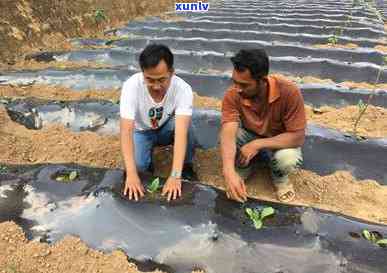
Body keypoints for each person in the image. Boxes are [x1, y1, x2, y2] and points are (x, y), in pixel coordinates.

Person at [220, 48, 306, 203]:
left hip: (278, 140)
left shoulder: (289, 92)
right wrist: (228, 171)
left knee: (288, 158)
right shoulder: (233, 94)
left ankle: (279, 178)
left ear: (262, 79)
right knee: (229, 138)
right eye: (235, 82)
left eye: (244, 85)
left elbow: (297, 137)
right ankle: (244, 167)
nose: (238, 89)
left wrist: (257, 144)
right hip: (250, 134)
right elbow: (228, 130)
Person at [120, 44, 196, 202]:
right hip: (141, 131)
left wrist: (175, 175)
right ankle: (147, 166)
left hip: (165, 127)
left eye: (162, 79)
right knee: (138, 168)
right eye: (150, 79)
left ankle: (186, 166)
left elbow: (181, 134)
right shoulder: (131, 87)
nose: (156, 86)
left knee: (187, 127)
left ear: (171, 72)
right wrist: (132, 174)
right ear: (142, 73)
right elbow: (126, 131)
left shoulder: (183, 89)